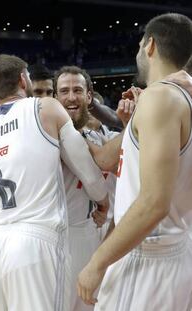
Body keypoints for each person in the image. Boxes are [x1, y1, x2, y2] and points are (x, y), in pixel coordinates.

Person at [0, 54, 109, 311]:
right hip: (34, 242)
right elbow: (87, 170)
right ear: (22, 79)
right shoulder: (45, 107)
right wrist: (102, 202)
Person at [78, 13, 192, 310]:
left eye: (140, 45)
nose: (138, 52)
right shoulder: (180, 97)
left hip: (147, 257)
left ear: (151, 45)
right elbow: (107, 158)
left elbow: (154, 201)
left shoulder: (160, 98)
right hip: (174, 252)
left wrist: (97, 262)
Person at [52, 65, 125, 311]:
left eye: (77, 90)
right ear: (55, 98)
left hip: (89, 232)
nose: (71, 97)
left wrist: (131, 122)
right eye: (64, 91)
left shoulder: (93, 137)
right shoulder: (47, 136)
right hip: (57, 236)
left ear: (89, 97)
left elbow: (115, 163)